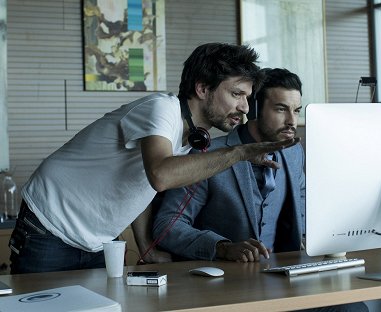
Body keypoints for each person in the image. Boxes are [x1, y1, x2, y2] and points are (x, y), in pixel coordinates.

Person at [8, 43, 299, 274]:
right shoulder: (161, 110)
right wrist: (239, 152)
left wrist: (145, 244)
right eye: (237, 93)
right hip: (48, 225)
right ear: (202, 88)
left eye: (247, 97)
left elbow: (138, 184)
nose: (244, 108)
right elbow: (160, 175)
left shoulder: (192, 138)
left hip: (97, 242)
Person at [152, 68, 369, 312]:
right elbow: (168, 225)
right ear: (253, 109)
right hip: (230, 287)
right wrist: (222, 247)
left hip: (287, 280)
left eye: (296, 111)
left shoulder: (294, 151)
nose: (291, 121)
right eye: (280, 109)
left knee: (351, 308)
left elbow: (304, 204)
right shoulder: (208, 156)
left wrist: (324, 238)